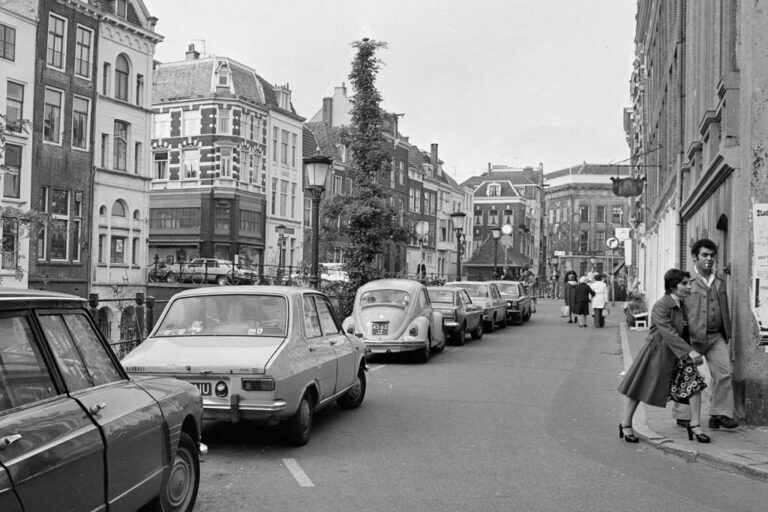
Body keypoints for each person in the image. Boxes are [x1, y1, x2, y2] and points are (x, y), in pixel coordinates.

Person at [618, 269, 710, 444]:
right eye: (684, 283)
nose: (688, 286)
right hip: (657, 353)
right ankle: (626, 424)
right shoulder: (661, 305)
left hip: (680, 354)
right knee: (639, 387)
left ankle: (695, 425)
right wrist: (689, 351)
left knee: (694, 385)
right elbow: (668, 332)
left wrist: (694, 347)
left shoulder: (683, 305)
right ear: (672, 286)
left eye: (688, 282)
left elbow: (686, 330)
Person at [672, 239, 739, 429]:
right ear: (695, 257)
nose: (709, 259)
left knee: (724, 373)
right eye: (704, 255)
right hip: (692, 337)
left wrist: (727, 332)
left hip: (716, 335)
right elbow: (675, 306)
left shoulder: (719, 280)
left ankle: (719, 414)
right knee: (687, 374)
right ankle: (683, 414)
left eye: (712, 255)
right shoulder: (685, 280)